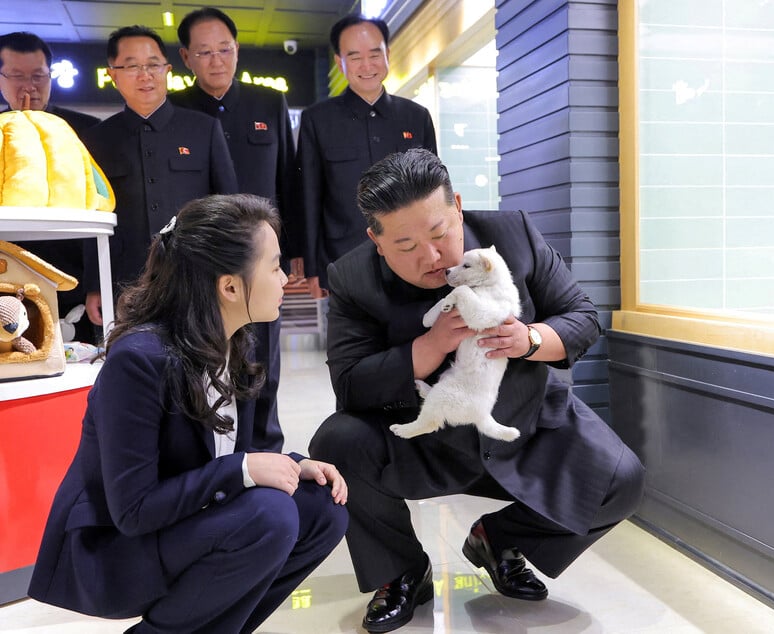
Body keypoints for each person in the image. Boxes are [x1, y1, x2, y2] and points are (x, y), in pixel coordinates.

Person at [308, 149, 645, 633]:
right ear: (376, 241)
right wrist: (429, 346)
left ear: (459, 208)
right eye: (405, 245)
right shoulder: (352, 277)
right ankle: (402, 571)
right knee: (336, 441)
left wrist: (528, 340)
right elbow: (350, 384)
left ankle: (499, 539)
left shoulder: (513, 234)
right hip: (426, 436)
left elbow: (581, 316)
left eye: (440, 233)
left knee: (621, 480)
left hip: (522, 422)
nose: (431, 257)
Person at [28, 194, 349, 633]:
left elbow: (242, 455)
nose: (284, 278)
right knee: (270, 516)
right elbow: (134, 510)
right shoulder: (139, 360)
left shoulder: (239, 341)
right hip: (119, 550)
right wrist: (243, 469)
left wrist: (295, 465)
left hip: (187, 523)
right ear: (229, 287)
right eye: (275, 267)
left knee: (322, 507)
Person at [171, 7, 296, 451]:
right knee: (208, 359)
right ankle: (218, 453)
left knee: (264, 359)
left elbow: (288, 179)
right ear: (186, 57)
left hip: (262, 259)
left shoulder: (269, 103)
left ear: (237, 49)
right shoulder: (176, 110)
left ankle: (265, 449)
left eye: (224, 49)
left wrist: (291, 254)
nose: (216, 60)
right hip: (205, 261)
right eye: (204, 52)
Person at [81, 25, 238, 332]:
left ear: (167, 69)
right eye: (132, 66)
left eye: (153, 65)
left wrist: (230, 272)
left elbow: (228, 208)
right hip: (124, 281)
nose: (145, 75)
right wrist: (94, 284)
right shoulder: (96, 140)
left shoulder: (203, 129)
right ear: (112, 74)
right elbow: (91, 216)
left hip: (196, 277)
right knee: (129, 356)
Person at [294, 14, 437, 299]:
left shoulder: (416, 116)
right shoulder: (317, 120)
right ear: (340, 63)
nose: (367, 65)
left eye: (374, 54)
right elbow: (308, 197)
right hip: (343, 259)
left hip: (412, 257)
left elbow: (434, 191)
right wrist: (313, 267)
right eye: (355, 57)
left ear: (387, 55)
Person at [0, 31, 101, 343]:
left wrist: (96, 283)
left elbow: (102, 204)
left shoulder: (86, 130)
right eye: (17, 76)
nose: (29, 86)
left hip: (74, 278)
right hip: (7, 276)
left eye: (38, 76)